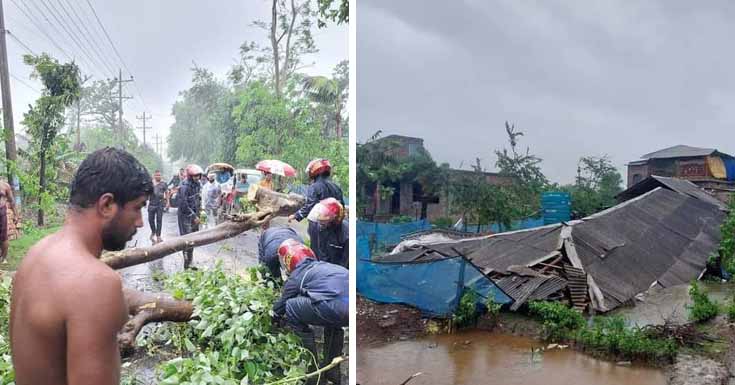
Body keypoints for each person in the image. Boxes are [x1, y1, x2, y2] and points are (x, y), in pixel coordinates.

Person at [9, 147, 152, 385]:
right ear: (106, 205)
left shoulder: (35, 255)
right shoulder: (97, 283)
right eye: (137, 207)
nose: (140, 222)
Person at [272, 239, 348, 385]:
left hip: (333, 306)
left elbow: (281, 306)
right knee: (333, 321)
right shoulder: (324, 266)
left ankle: (311, 370)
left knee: (291, 307)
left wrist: (274, 318)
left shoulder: (297, 276)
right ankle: (332, 370)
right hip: (348, 306)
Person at [288, 159, 344, 258]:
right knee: (333, 252)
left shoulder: (314, 187)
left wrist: (296, 215)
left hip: (319, 225)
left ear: (314, 171)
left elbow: (310, 205)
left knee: (318, 253)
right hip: (336, 226)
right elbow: (341, 206)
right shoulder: (336, 187)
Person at [307, 198, 349, 269]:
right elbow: (315, 249)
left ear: (334, 219)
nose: (321, 224)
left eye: (324, 222)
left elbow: (345, 262)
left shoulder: (345, 234)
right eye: (320, 221)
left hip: (337, 271)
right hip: (319, 266)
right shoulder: (316, 226)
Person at [177, 164, 203, 269]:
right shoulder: (185, 186)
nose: (197, 177)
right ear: (190, 176)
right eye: (195, 176)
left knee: (193, 239)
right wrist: (193, 216)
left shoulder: (197, 184)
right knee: (186, 240)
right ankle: (186, 264)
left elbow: (197, 199)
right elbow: (184, 204)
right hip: (185, 216)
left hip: (195, 215)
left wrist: (200, 212)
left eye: (198, 175)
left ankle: (191, 261)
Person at [0, 179, 19, 263]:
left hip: (1, 212)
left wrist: (16, 214)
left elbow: (11, 201)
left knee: (3, 236)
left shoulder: (4, 185)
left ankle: (3, 258)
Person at [148, 170, 168, 244]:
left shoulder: (164, 183)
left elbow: (167, 192)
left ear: (161, 176)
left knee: (159, 220)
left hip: (160, 204)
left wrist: (168, 202)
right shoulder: (150, 183)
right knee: (150, 220)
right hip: (151, 204)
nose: (158, 176)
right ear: (154, 176)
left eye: (159, 175)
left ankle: (158, 235)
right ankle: (153, 231)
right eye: (156, 175)